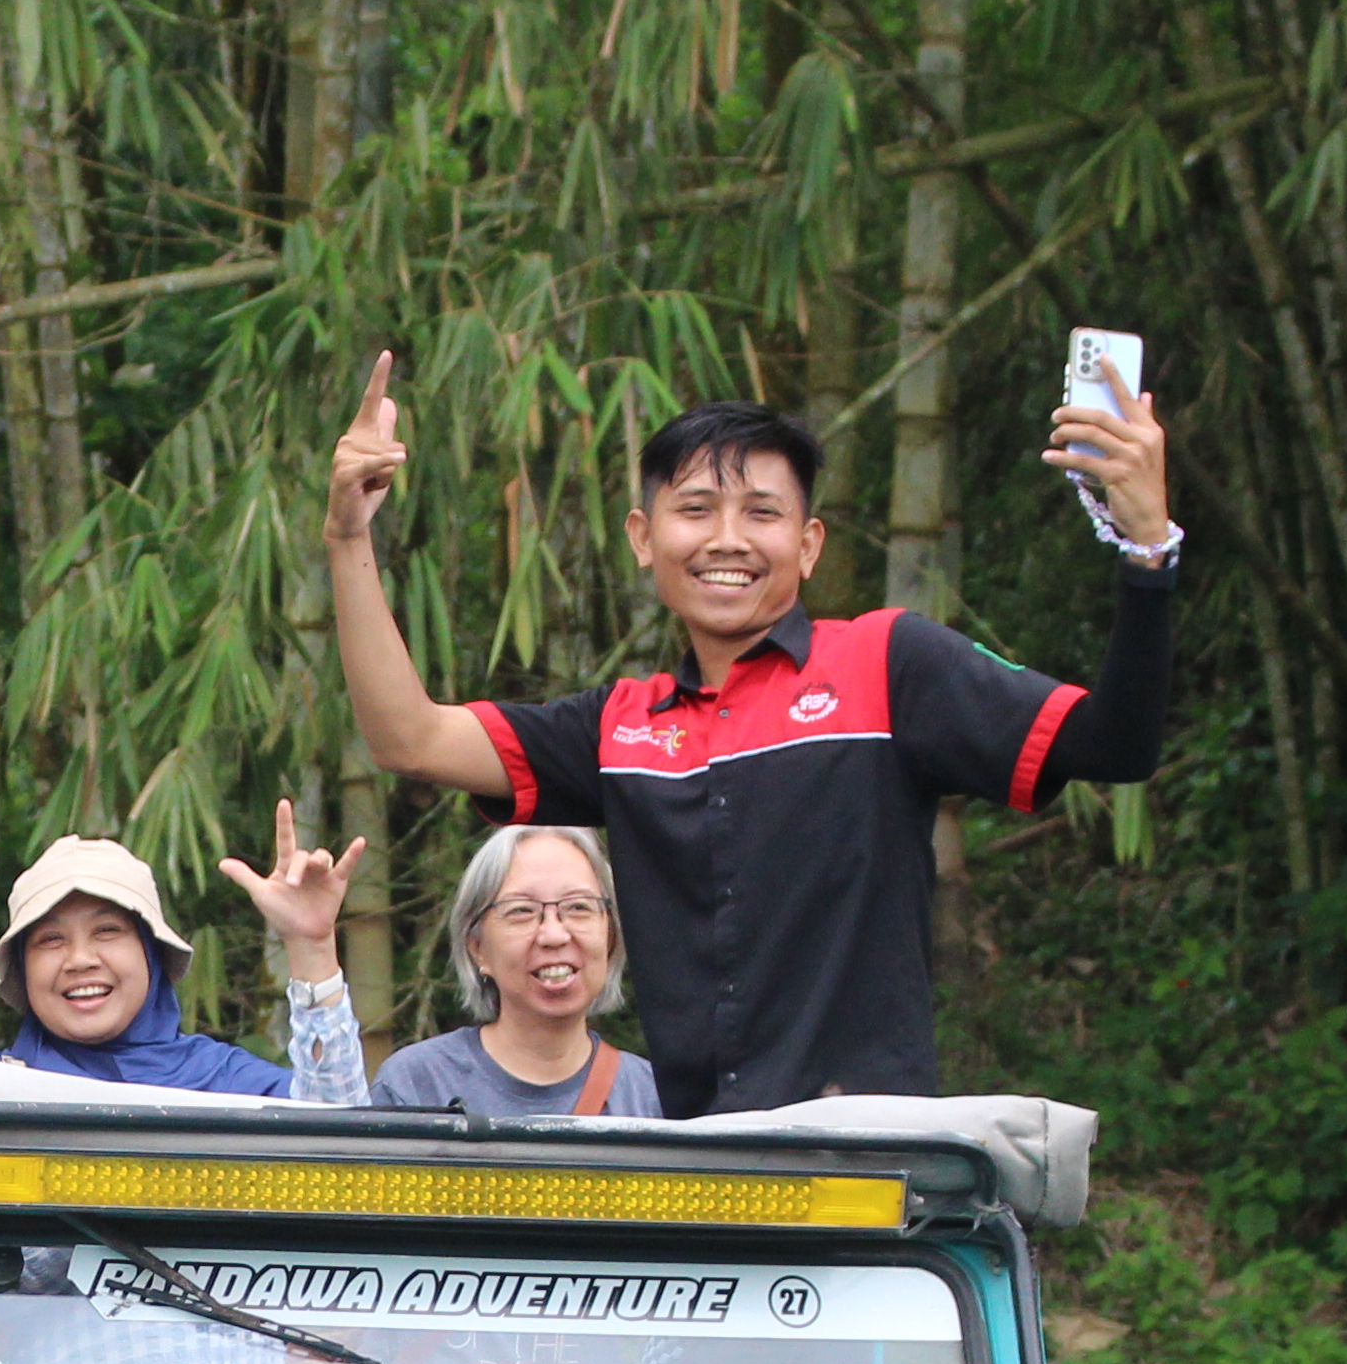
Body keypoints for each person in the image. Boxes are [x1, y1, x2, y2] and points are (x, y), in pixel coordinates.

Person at [321, 357, 1183, 1117]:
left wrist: (1147, 549)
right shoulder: (623, 725)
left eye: (762, 513)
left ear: (808, 545)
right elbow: (411, 740)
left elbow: (1113, 744)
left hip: (868, 1159)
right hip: (705, 1166)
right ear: (643, 538)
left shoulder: (888, 663)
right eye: (695, 509)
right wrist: (348, 537)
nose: (728, 539)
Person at [0, 808, 365, 1102]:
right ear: (22, 970)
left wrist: (311, 948)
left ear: (150, 954)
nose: (81, 959)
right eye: (51, 940)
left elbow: (342, 1150)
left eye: (107, 931)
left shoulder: (226, 1083)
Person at [369, 824, 666, 1119]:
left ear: (610, 936)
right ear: (478, 948)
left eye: (578, 907)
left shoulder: (652, 1098)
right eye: (522, 910)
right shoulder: (418, 1085)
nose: (554, 935)